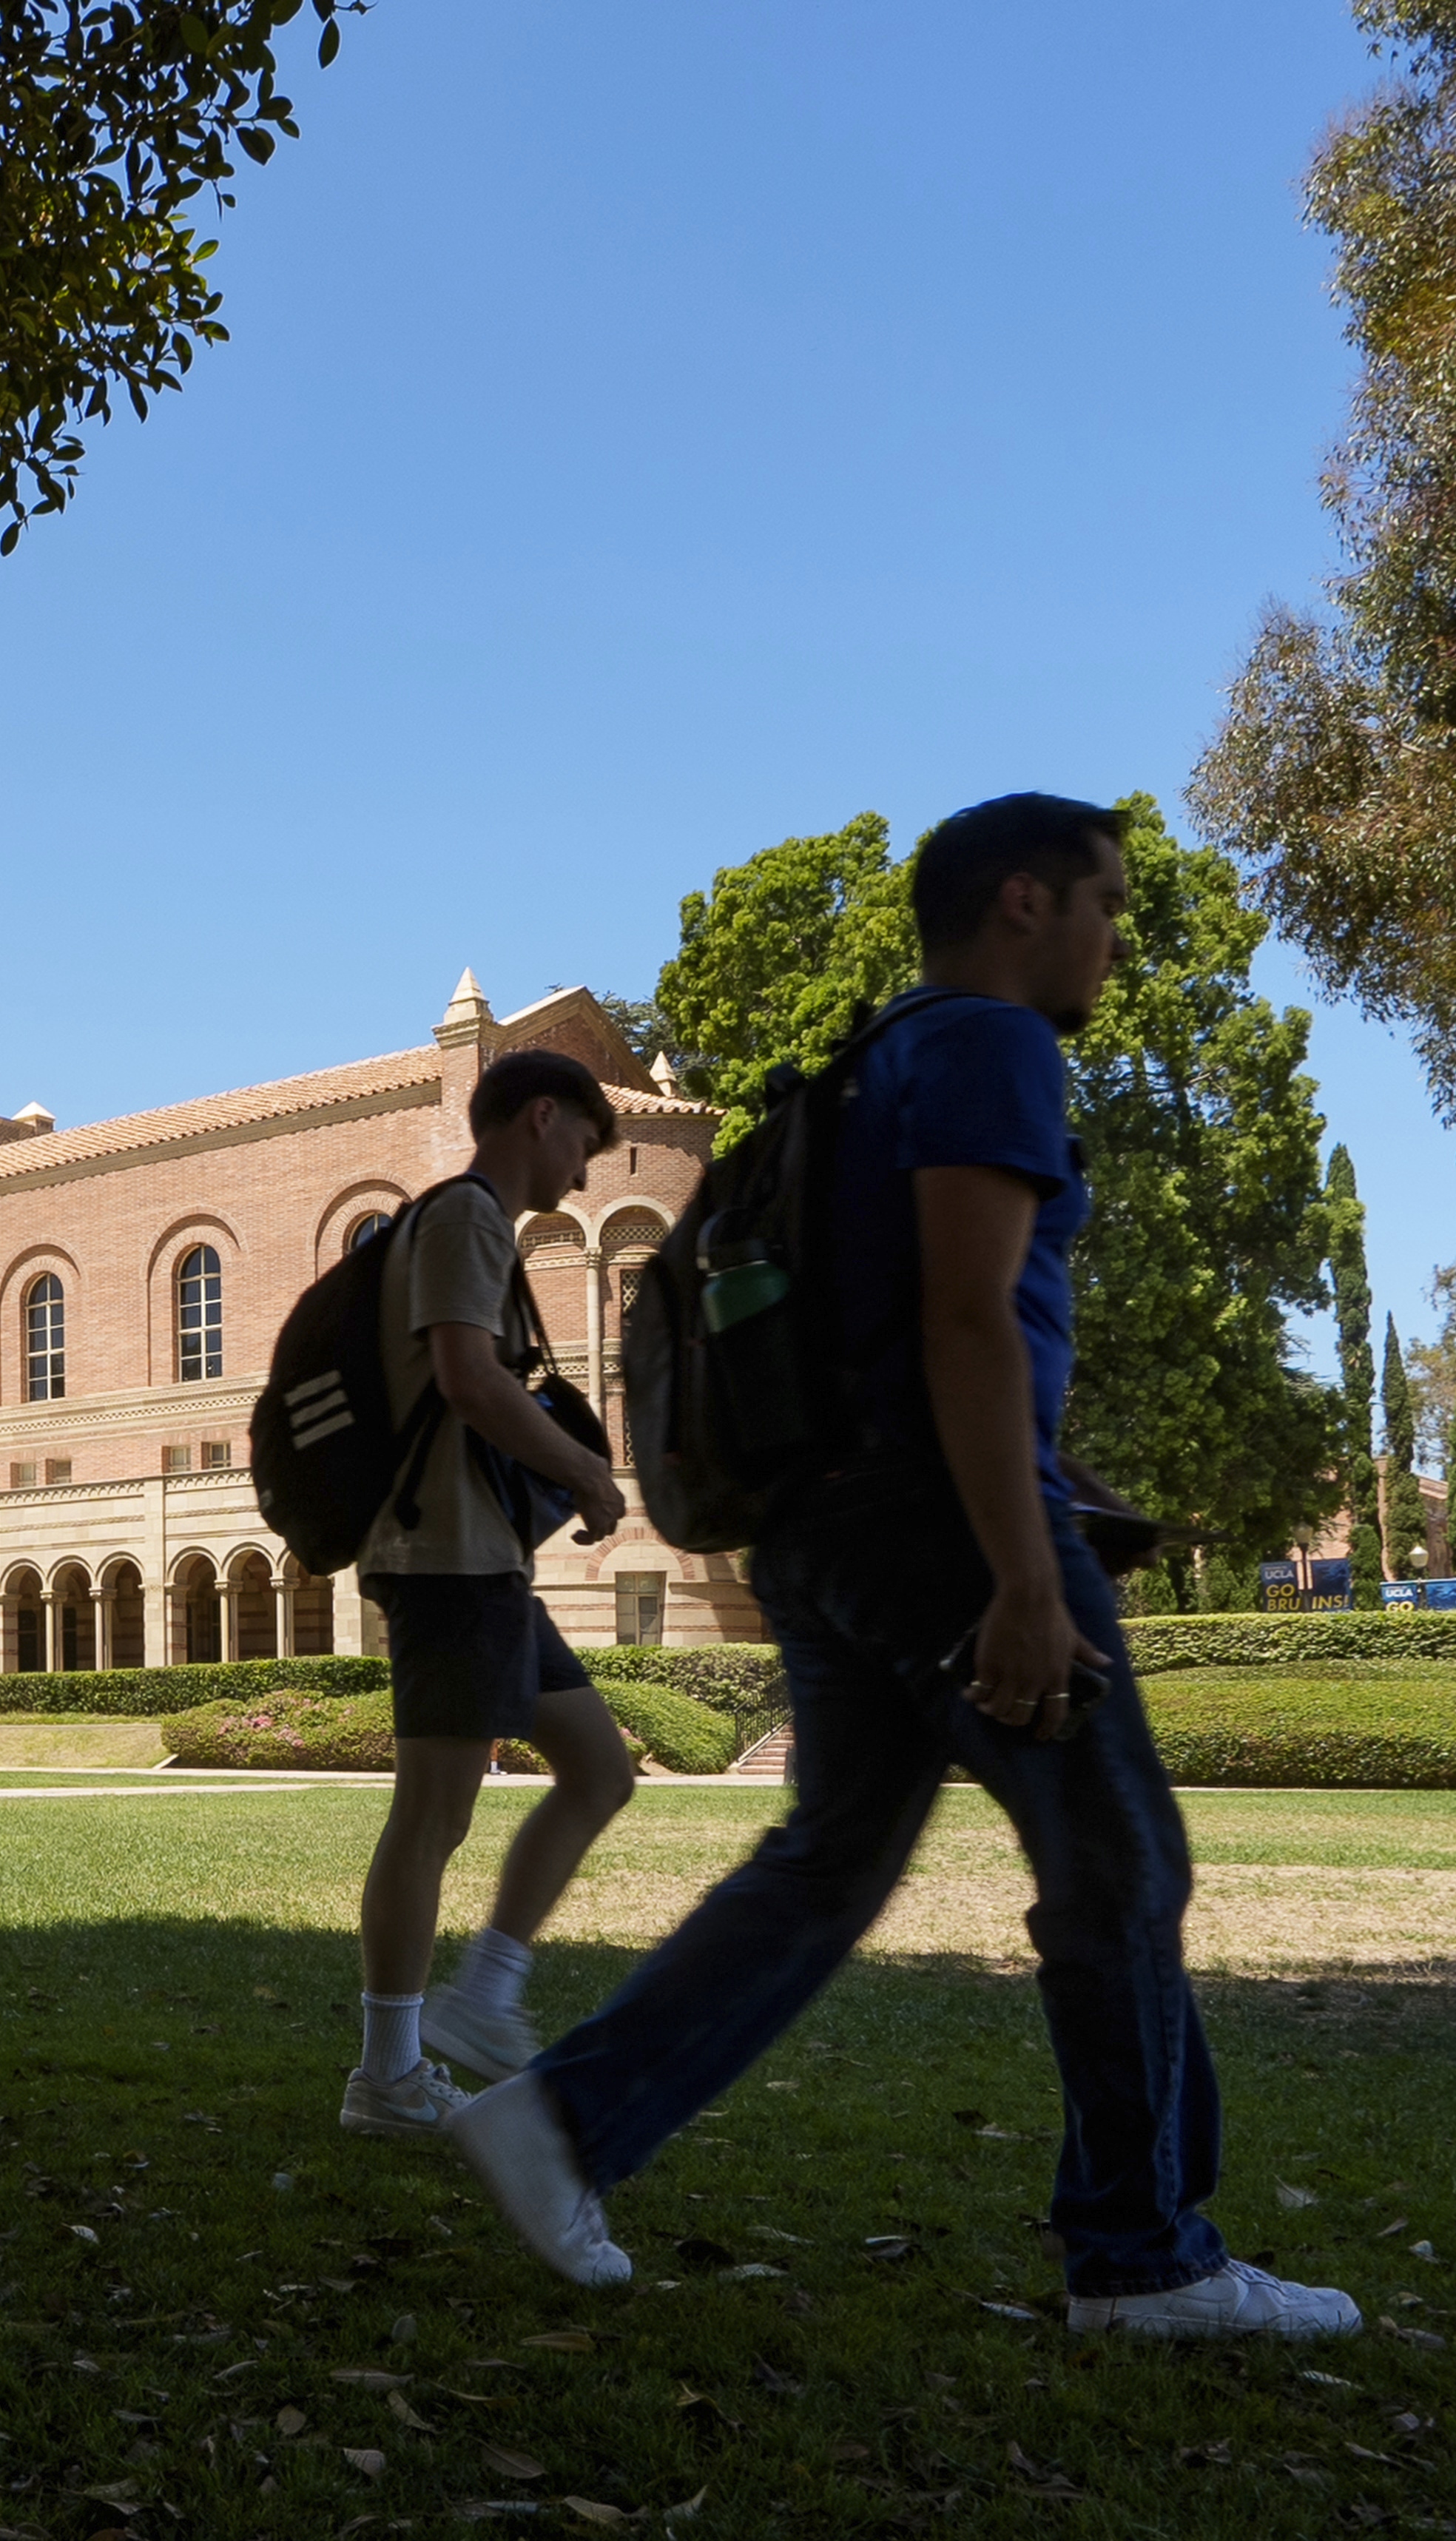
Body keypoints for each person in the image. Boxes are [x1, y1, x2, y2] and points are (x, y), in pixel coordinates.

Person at [451, 795, 1358, 2344]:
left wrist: (1049, 1474)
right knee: (1121, 1858)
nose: (1117, 940)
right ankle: (1143, 2256)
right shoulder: (993, 1044)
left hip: (821, 1526)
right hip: (937, 1523)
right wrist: (1025, 1566)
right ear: (1024, 901)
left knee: (829, 1862)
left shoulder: (868, 1065)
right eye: (1105, 905)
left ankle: (565, 2120)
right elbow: (965, 1319)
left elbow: (896, 1324)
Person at [333, 1049, 638, 2138]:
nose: (587, 1175)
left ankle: (485, 1993)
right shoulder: (464, 1218)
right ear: (541, 1117)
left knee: (600, 1769)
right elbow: (467, 1378)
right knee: (433, 1817)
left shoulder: (474, 1228)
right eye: (584, 1147)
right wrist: (586, 1470)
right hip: (446, 1562)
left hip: (487, 1565)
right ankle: (389, 2074)